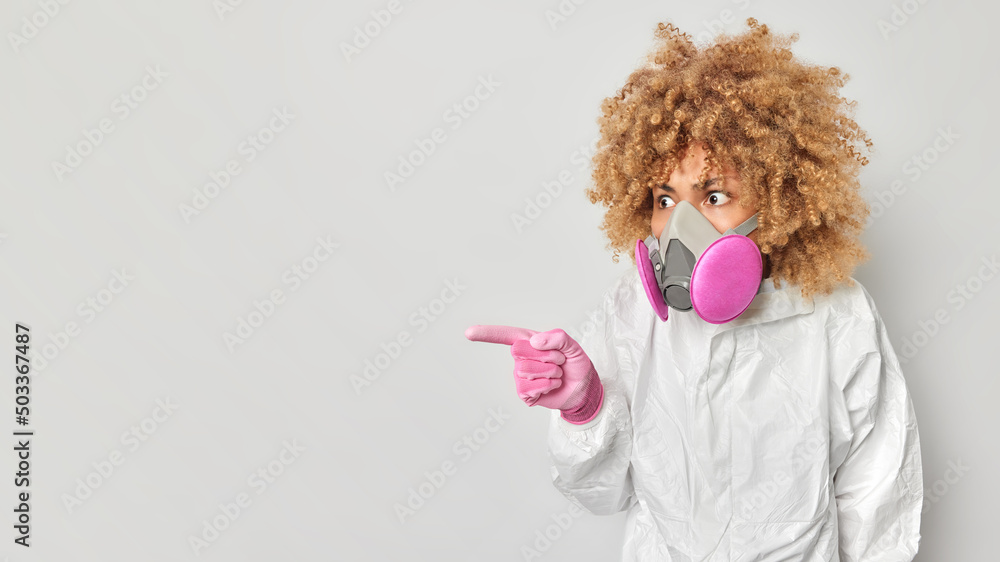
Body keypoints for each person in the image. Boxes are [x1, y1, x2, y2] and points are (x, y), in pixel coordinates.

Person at [466, 18, 923, 561]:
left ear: (778, 202)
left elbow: (879, 490)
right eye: (665, 200)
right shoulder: (632, 311)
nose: (681, 224)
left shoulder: (838, 313)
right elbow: (603, 495)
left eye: (712, 196)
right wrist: (585, 409)